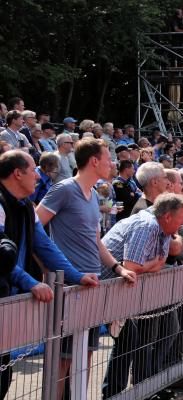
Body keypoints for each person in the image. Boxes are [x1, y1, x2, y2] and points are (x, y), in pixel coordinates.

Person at [35, 138, 136, 399]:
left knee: (87, 353)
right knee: (64, 358)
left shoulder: (93, 196)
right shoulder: (64, 189)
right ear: (94, 161)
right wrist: (51, 268)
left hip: (91, 284)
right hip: (69, 286)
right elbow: (34, 227)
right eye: (107, 158)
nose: (112, 163)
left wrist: (117, 267)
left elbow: (95, 241)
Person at [0, 150, 99, 399]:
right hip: (7, 289)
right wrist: (30, 282)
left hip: (7, 295)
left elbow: (45, 246)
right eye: (34, 170)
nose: (38, 176)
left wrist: (76, 276)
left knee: (3, 374)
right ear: (17, 173)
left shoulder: (25, 205)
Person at [100, 193, 183, 398]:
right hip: (102, 289)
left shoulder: (163, 231)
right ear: (167, 216)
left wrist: (147, 266)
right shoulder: (146, 225)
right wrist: (149, 266)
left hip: (124, 291)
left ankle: (142, 389)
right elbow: (131, 267)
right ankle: (112, 394)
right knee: (128, 339)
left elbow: (160, 261)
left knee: (146, 336)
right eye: (181, 217)